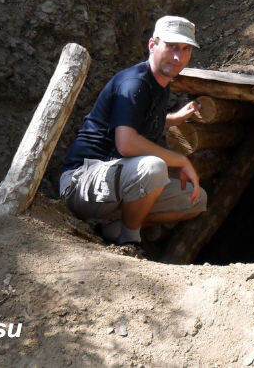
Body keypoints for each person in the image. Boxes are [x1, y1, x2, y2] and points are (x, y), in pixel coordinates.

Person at [59, 15, 207, 255]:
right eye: (171, 47)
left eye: (186, 49)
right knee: (153, 168)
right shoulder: (134, 83)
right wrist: (180, 159)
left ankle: (114, 226)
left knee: (196, 199)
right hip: (80, 182)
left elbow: (136, 119)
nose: (178, 57)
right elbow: (126, 143)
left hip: (113, 187)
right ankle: (129, 241)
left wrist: (175, 119)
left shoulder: (162, 81)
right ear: (152, 45)